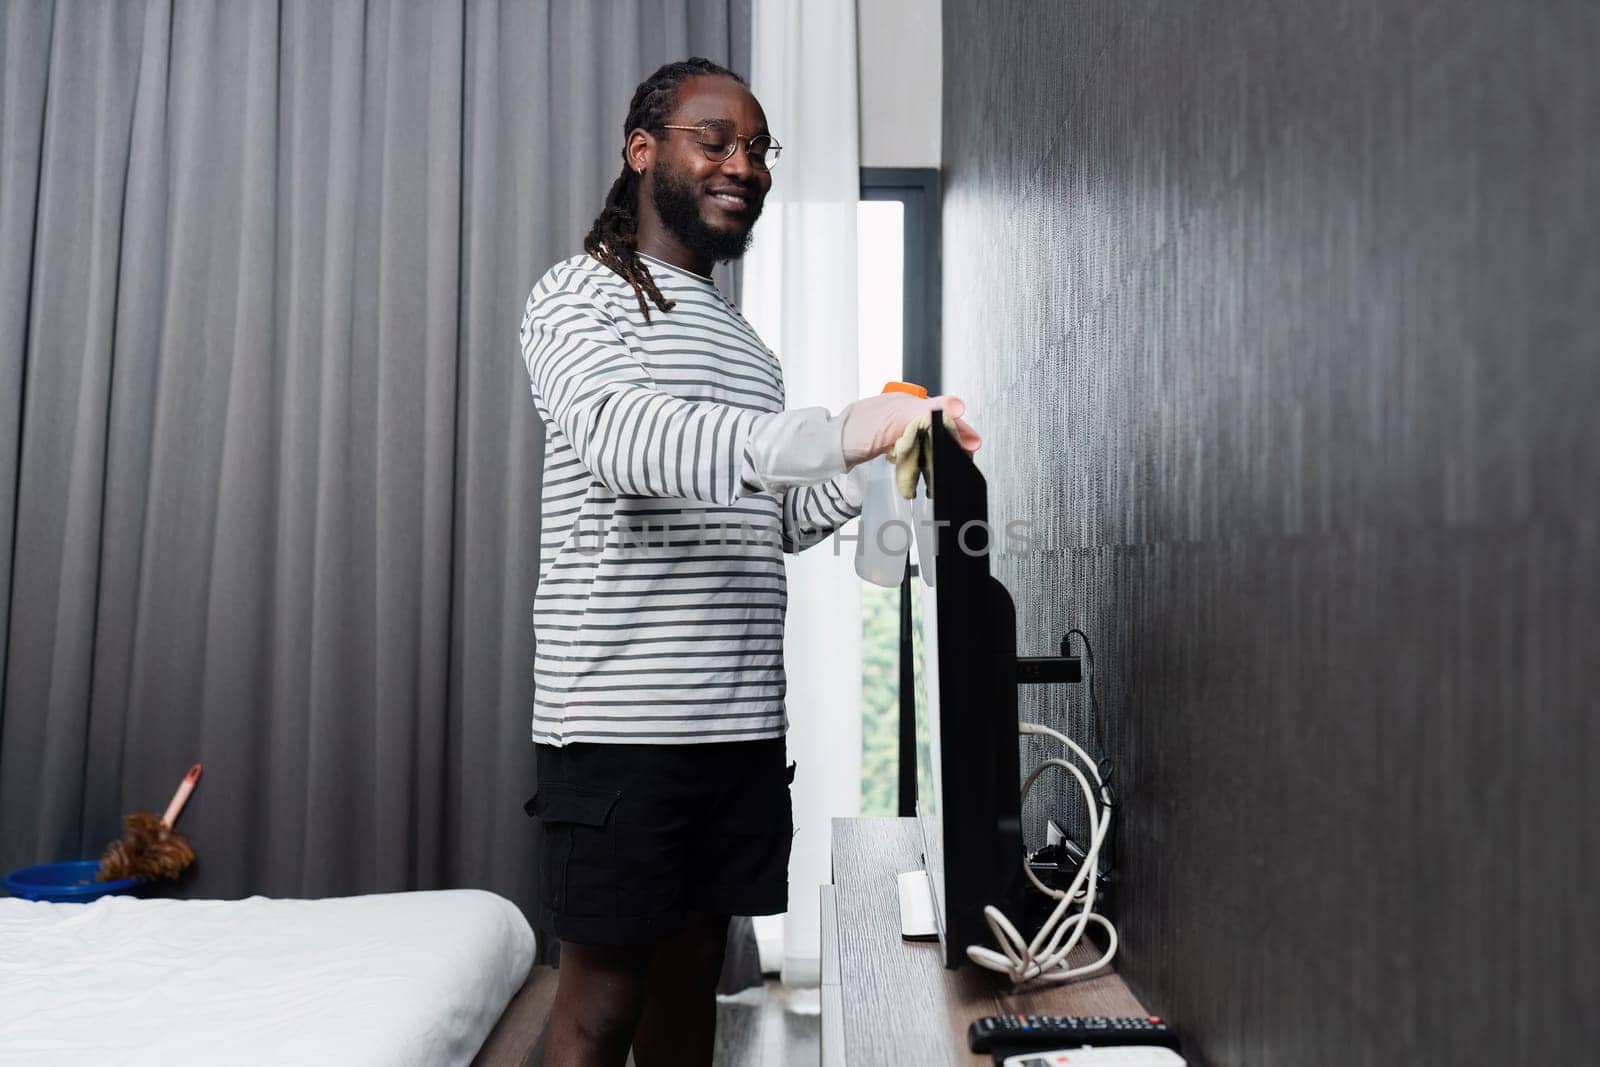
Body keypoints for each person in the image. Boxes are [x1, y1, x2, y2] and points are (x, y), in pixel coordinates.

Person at [517, 57, 979, 1066]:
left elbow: (766, 512)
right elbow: (633, 445)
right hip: (619, 730)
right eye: (714, 140)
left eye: (757, 148)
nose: (743, 163)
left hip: (736, 730)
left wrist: (885, 456)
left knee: (694, 996)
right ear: (644, 153)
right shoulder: (578, 296)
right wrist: (838, 423)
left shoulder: (743, 342)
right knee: (599, 1009)